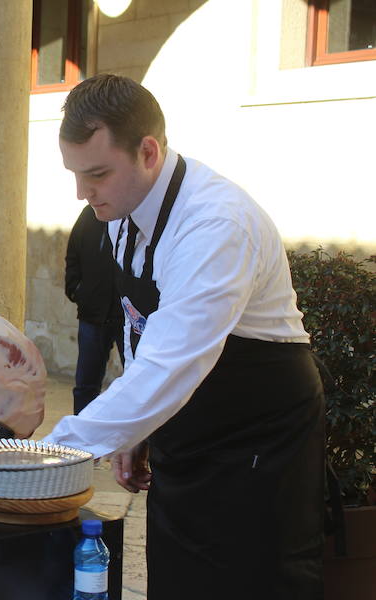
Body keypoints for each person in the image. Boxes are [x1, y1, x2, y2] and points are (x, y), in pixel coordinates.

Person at [46, 75, 324, 599]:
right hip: (191, 432)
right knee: (179, 578)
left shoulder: (215, 224)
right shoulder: (119, 212)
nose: (84, 194)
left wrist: (47, 454)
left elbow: (169, 366)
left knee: (252, 581)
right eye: (76, 175)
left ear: (148, 151)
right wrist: (135, 430)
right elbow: (141, 328)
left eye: (98, 174)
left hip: (257, 441)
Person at [65, 204, 124, 414]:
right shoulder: (90, 214)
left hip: (126, 318)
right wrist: (76, 290)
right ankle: (80, 443)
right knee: (85, 386)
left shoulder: (134, 213)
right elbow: (73, 253)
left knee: (139, 386)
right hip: (92, 315)